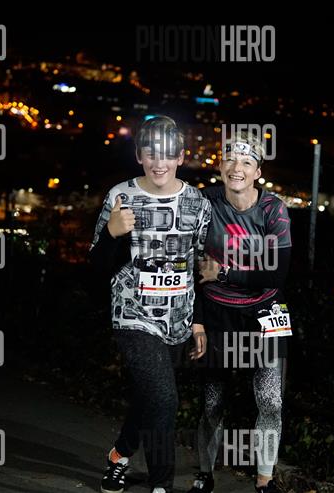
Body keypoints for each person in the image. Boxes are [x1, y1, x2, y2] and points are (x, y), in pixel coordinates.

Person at [89, 115, 211, 493]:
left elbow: (200, 266)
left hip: (178, 317)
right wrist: (111, 234)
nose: (160, 163)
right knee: (165, 398)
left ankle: (120, 455)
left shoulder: (197, 202)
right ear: (139, 155)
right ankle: (161, 485)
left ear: (181, 156)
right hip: (133, 315)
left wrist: (198, 321)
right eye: (151, 153)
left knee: (150, 397)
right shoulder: (120, 196)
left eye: (168, 154)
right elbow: (96, 266)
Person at [188, 130, 292, 493]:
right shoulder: (205, 203)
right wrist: (197, 321)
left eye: (247, 162)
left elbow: (276, 273)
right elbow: (192, 268)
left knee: (271, 401)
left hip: (265, 312)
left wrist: (225, 272)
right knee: (212, 403)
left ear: (257, 172)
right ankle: (205, 475)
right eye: (231, 159)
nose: (237, 167)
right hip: (218, 311)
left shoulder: (273, 209)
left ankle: (264, 482)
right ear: (220, 166)